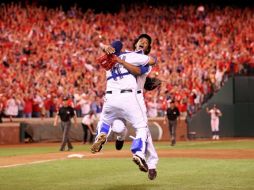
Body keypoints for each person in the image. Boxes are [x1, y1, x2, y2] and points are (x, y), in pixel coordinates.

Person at [93, 34, 158, 180]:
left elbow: (139, 71)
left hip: (135, 96)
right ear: (135, 43)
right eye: (141, 40)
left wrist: (113, 55)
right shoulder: (127, 54)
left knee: (144, 130)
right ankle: (122, 137)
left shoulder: (140, 59)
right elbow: (111, 48)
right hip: (126, 96)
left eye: (146, 42)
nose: (142, 42)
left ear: (147, 48)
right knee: (119, 128)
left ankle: (152, 164)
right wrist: (111, 52)